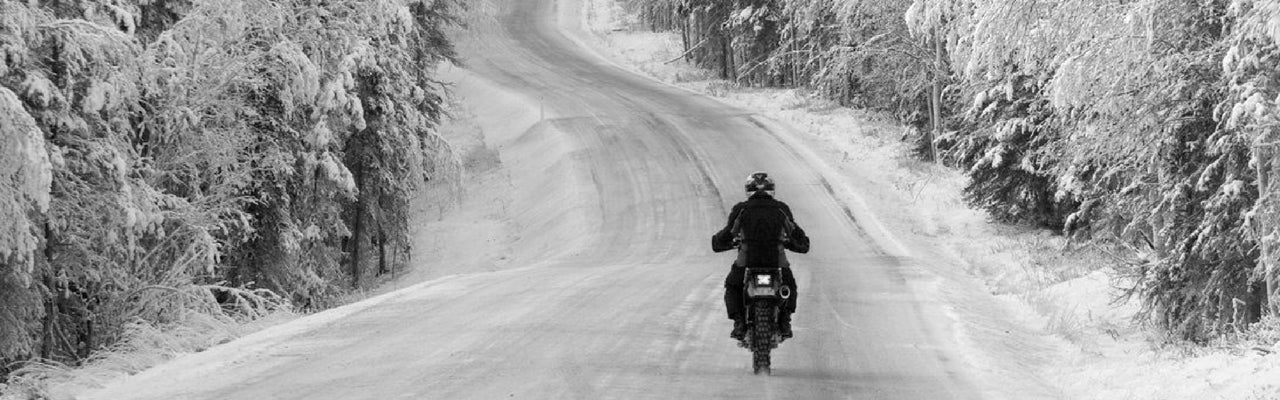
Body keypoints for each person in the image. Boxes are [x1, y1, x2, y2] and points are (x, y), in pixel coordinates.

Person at [711, 171, 809, 340]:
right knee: (789, 286)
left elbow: (729, 232)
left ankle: (739, 322)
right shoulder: (781, 209)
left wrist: (719, 242)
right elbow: (794, 232)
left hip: (747, 259)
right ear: (772, 190)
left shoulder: (741, 209)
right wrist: (799, 243)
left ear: (748, 190)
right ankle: (785, 321)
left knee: (733, 286)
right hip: (776, 260)